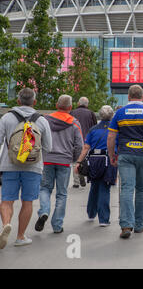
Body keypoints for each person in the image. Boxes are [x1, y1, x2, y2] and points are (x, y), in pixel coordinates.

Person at [107, 85, 143, 239]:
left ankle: (126, 225)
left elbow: (111, 137)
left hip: (126, 155)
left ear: (128, 96)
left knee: (127, 188)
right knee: (142, 188)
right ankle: (140, 225)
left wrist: (112, 154)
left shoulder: (119, 113)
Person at [0, 88, 52, 248]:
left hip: (9, 165)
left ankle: (6, 225)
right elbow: (48, 147)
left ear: (18, 101)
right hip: (33, 166)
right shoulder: (42, 120)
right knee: (27, 201)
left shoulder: (7, 118)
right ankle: (20, 237)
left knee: (7, 200)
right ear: (34, 102)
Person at [35, 95, 83, 234]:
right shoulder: (74, 123)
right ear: (70, 107)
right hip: (64, 161)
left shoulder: (44, 120)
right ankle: (57, 225)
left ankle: (44, 211)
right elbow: (79, 145)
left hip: (47, 159)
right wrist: (73, 159)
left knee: (45, 188)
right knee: (62, 194)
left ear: (56, 105)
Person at [75, 105, 117, 227]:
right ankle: (103, 219)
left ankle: (91, 212)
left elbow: (86, 147)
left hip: (93, 160)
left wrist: (78, 162)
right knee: (105, 187)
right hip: (108, 160)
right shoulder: (115, 129)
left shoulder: (93, 129)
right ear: (112, 115)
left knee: (94, 186)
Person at [70, 97, 98, 188]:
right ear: (87, 104)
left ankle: (76, 182)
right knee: (84, 158)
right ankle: (82, 174)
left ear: (78, 103)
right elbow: (95, 127)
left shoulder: (72, 112)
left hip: (74, 138)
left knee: (75, 160)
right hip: (87, 139)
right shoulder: (91, 113)